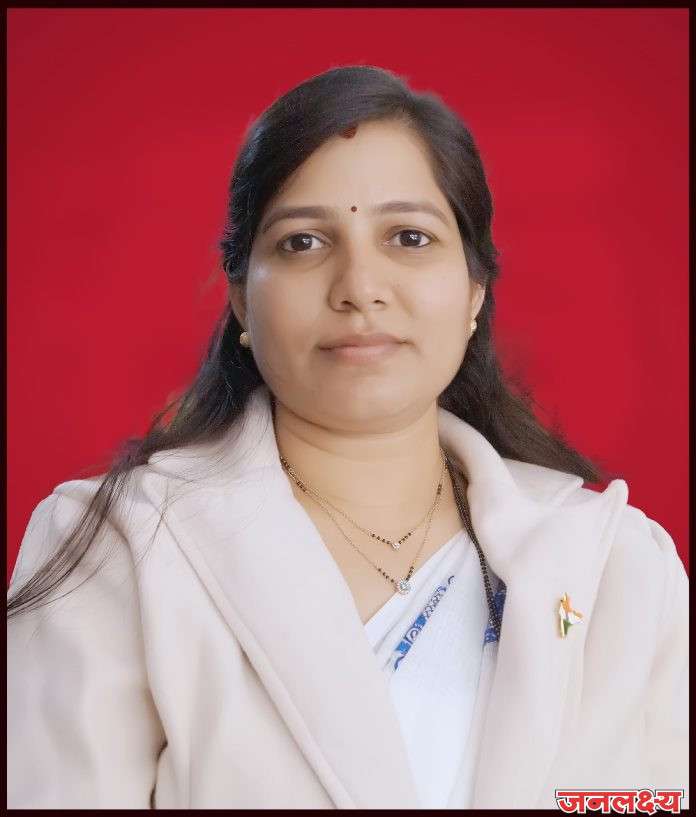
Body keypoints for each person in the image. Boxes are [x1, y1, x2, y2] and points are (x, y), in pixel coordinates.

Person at [7, 65, 688, 810]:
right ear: (241, 297)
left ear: (474, 291)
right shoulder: (118, 551)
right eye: (302, 242)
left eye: (409, 237)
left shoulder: (616, 567)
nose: (360, 286)